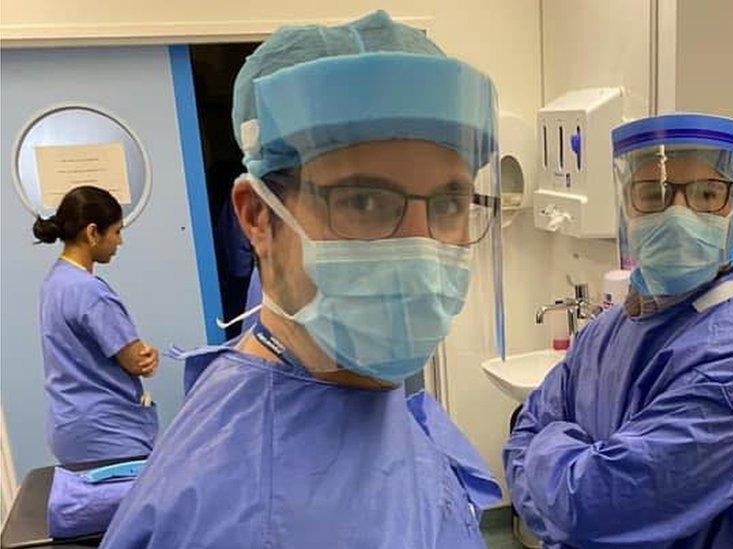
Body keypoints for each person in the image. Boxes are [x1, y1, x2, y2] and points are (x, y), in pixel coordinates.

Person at [102, 11, 503, 547]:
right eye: (363, 201)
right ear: (257, 217)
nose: (421, 249)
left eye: (449, 202)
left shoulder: (355, 383)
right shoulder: (238, 517)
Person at [503, 113, 733, 548]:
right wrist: (564, 479)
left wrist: (552, 452)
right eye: (653, 193)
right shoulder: (612, 325)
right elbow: (524, 431)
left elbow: (586, 505)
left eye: (707, 195)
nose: (677, 215)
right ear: (626, 206)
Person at [32, 185, 159, 464]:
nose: (119, 242)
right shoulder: (90, 292)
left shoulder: (54, 282)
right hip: (108, 433)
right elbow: (136, 362)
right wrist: (151, 356)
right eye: (116, 232)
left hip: (70, 426)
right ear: (92, 233)